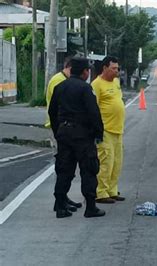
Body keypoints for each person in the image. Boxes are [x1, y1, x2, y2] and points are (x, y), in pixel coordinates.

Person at [48, 57, 105, 219]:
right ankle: (91, 207)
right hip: (82, 135)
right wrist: (98, 133)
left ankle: (60, 207)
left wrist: (57, 130)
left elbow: (52, 112)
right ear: (85, 72)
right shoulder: (85, 89)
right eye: (88, 70)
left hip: (64, 132)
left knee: (64, 170)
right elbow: (94, 113)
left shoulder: (60, 87)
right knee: (88, 169)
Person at [44, 57, 82, 213]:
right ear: (68, 68)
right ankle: (59, 200)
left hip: (65, 128)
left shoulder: (64, 80)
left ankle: (63, 197)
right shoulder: (58, 81)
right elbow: (57, 107)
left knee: (68, 166)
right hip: (59, 128)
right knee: (63, 166)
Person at [92, 56, 126, 204]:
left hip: (118, 129)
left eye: (117, 68)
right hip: (105, 130)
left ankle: (112, 190)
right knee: (106, 162)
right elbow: (93, 107)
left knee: (117, 163)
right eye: (113, 68)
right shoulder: (97, 84)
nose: (116, 71)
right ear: (104, 68)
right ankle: (100, 192)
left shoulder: (116, 83)